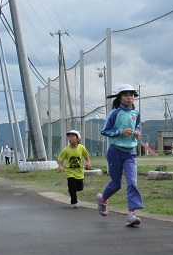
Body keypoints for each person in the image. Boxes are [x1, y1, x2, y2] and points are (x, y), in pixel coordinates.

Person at [97, 83, 144, 227]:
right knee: (116, 184)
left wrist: (137, 133)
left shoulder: (136, 114)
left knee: (132, 182)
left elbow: (136, 127)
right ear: (120, 97)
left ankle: (131, 213)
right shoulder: (115, 113)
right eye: (126, 95)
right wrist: (120, 132)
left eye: (132, 95)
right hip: (115, 152)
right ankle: (103, 199)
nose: (130, 98)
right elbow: (105, 131)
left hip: (130, 152)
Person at [57, 129, 93, 208]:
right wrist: (60, 166)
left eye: (73, 136)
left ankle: (71, 189)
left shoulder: (81, 148)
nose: (70, 138)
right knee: (72, 186)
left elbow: (86, 156)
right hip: (70, 172)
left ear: (77, 139)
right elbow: (61, 158)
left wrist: (88, 162)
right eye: (69, 137)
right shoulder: (66, 150)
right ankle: (74, 202)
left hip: (79, 172)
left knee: (80, 187)